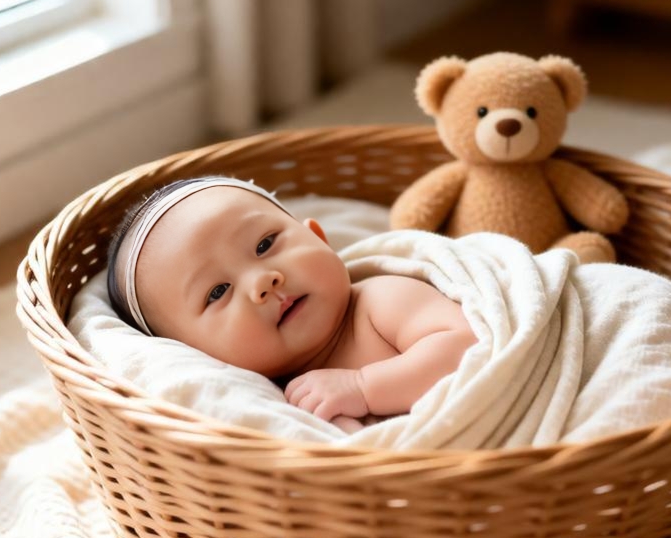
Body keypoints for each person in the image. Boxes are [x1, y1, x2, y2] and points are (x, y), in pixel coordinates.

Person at [106, 176, 476, 433]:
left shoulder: (379, 301)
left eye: (265, 245)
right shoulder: (263, 406)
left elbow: (467, 345)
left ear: (319, 237)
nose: (263, 281)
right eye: (217, 292)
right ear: (195, 352)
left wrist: (363, 387)